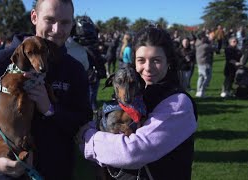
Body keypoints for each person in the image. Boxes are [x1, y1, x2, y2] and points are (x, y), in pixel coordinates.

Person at [0, 0, 92, 179]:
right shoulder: (1, 61)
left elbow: (84, 119)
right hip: (8, 172)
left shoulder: (74, 70)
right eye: (50, 20)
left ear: (72, 23)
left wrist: (50, 109)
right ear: (34, 17)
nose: (56, 30)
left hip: (56, 171)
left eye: (65, 22)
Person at [76, 27, 198, 180]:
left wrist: (88, 138)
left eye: (156, 60)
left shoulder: (178, 104)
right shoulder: (138, 97)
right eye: (141, 60)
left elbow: (132, 152)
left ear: (169, 62)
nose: (147, 68)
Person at [195, 32, 214, 98]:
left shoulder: (198, 43)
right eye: (205, 37)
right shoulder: (205, 45)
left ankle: (198, 91)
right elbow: (213, 48)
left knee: (201, 77)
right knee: (207, 78)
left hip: (200, 63)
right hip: (205, 63)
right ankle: (201, 91)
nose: (206, 38)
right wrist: (211, 40)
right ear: (202, 38)